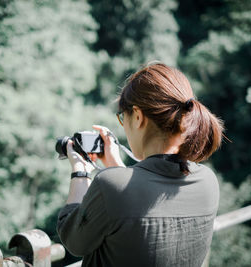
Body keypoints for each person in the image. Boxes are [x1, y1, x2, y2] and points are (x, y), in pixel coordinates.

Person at [57, 62, 224, 267]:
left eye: (122, 117)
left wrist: (80, 172)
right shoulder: (207, 181)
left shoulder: (111, 186)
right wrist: (117, 170)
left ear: (137, 117)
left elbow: (73, 239)